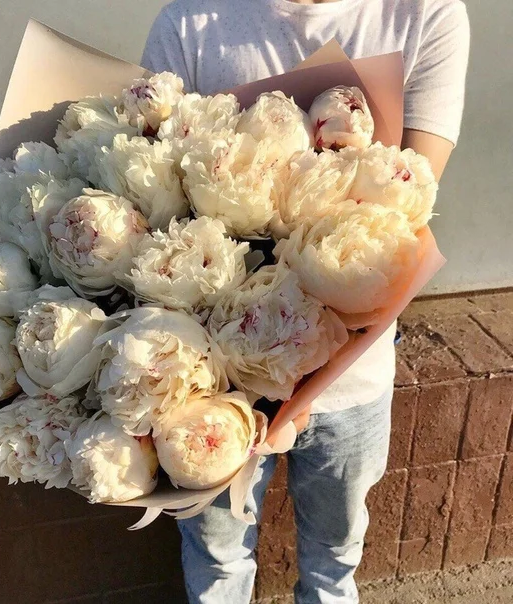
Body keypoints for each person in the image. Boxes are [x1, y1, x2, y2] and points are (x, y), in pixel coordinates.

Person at [141, 1, 470, 602]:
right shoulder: (188, 22)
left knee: (334, 558)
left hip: (352, 371)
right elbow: (153, 188)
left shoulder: (426, 12)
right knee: (216, 559)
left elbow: (408, 202)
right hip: (213, 381)